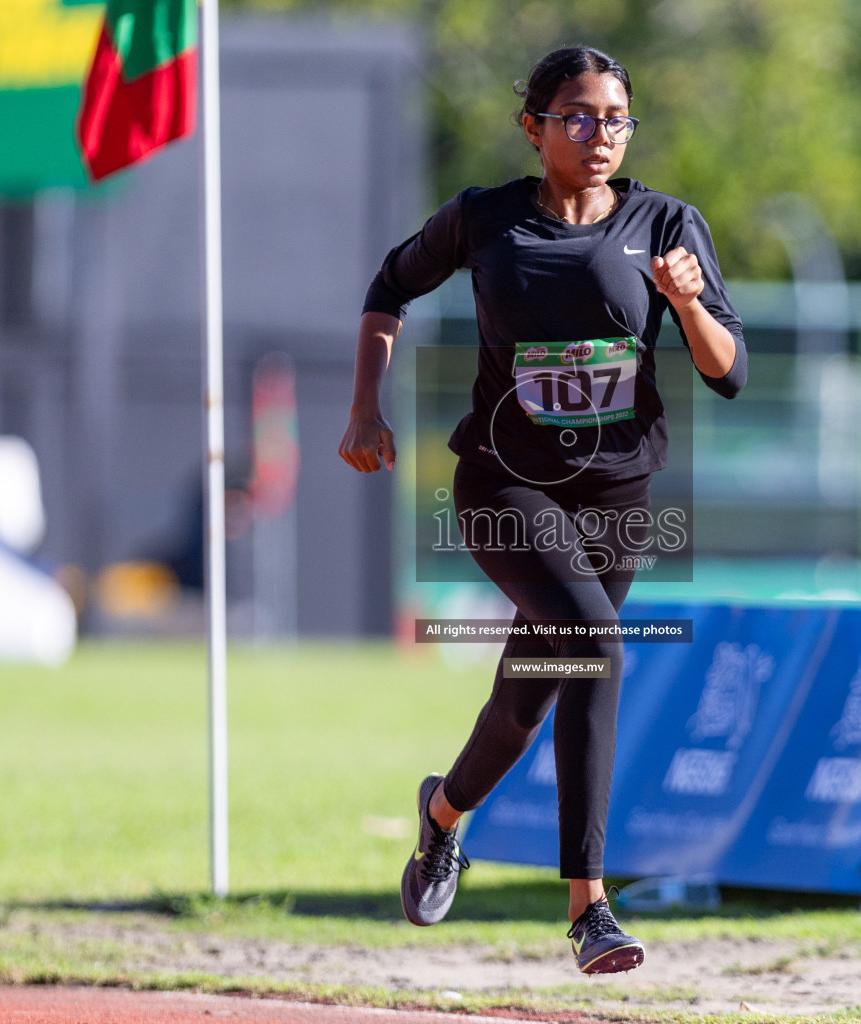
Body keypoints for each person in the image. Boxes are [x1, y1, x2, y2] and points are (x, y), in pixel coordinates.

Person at [337, 45, 747, 975]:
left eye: (615, 118)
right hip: (503, 484)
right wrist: (367, 403)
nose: (599, 134)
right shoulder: (485, 220)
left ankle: (442, 815)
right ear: (535, 126)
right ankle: (590, 906)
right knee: (595, 645)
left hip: (616, 499)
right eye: (578, 116)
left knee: (529, 695)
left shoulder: (667, 223)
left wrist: (686, 307)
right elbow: (389, 286)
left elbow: (731, 373)